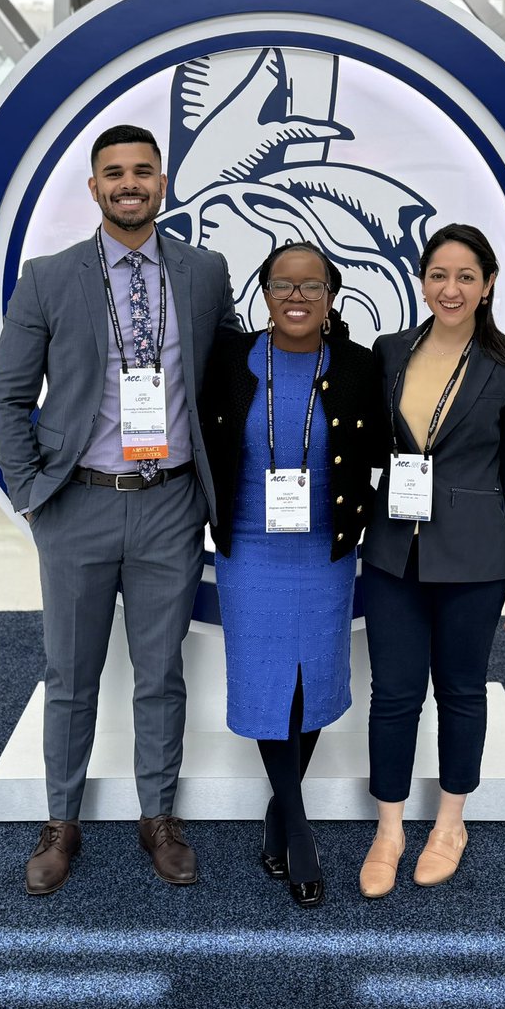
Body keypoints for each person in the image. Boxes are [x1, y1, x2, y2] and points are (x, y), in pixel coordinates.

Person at [0, 124, 238, 895]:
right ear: (93, 188)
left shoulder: (203, 272)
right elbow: (8, 394)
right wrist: (33, 495)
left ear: (162, 183)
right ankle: (61, 821)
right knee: (71, 674)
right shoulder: (49, 276)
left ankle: (156, 816)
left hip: (169, 505)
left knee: (161, 674)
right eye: (113, 173)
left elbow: (227, 379)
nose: (129, 183)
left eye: (142, 171)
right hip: (78, 506)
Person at [358, 223, 505, 898]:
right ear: (422, 279)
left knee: (462, 691)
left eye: (466, 276)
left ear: (488, 284)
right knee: (394, 693)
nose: (452, 288)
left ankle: (451, 824)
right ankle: (389, 829)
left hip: (476, 556)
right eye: (439, 274)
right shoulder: (388, 352)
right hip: (391, 551)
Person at [201, 241, 379, 908]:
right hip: (248, 546)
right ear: (264, 293)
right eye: (282, 284)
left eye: (311, 285)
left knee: (312, 683)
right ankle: (298, 831)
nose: (296, 296)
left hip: (324, 551)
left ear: (331, 294)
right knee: (268, 678)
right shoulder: (226, 360)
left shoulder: (360, 367)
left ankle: (280, 818)